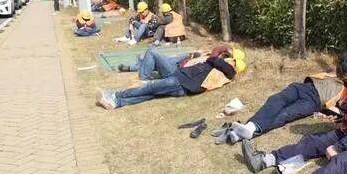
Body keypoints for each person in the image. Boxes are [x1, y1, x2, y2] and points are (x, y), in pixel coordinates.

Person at [95, 48, 247, 109]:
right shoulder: (220, 68)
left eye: (229, 56)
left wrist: (221, 56)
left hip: (181, 82)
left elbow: (213, 58)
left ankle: (115, 95)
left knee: (149, 87)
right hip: (180, 80)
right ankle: (117, 103)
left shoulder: (228, 70)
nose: (225, 56)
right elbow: (214, 55)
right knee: (151, 94)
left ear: (233, 62)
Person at [229, 72, 345, 141]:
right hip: (304, 87)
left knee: (285, 114)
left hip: (314, 102)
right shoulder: (336, 74)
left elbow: (340, 113)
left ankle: (246, 131)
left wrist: (322, 115)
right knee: (276, 99)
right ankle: (249, 127)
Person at [117, 44, 233, 81]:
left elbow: (218, 49)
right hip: (179, 62)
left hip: (175, 71)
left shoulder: (216, 60)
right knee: (151, 60)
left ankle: (143, 77)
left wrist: (227, 49)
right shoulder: (213, 58)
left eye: (224, 55)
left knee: (152, 51)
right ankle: (133, 67)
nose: (221, 54)